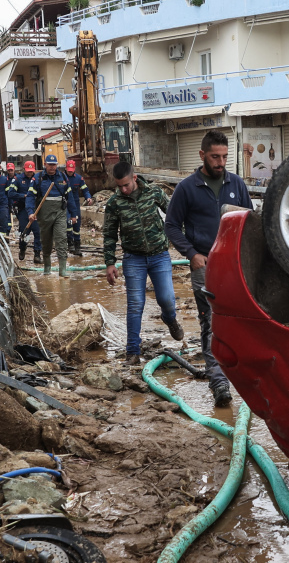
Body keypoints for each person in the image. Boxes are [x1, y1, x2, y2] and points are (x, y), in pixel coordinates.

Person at [164, 130, 252, 408]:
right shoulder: (187, 188)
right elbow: (171, 226)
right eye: (215, 157)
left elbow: (250, 222)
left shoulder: (236, 184)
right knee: (211, 323)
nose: (221, 162)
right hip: (204, 266)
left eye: (225, 157)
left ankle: (242, 376)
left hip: (235, 267)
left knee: (241, 322)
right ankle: (219, 382)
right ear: (202, 155)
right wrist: (191, 253)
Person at [103, 161, 185, 365]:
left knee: (166, 298)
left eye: (126, 185)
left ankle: (169, 318)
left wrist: (183, 238)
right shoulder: (115, 203)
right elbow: (110, 234)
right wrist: (109, 263)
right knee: (135, 304)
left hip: (159, 255)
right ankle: (132, 352)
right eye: (119, 186)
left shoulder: (154, 193)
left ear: (135, 179)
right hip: (133, 259)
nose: (123, 189)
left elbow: (174, 214)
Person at [27, 154, 78, 277]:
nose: (52, 167)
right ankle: (47, 268)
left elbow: (69, 197)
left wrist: (73, 214)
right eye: (49, 165)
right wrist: (30, 213)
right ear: (45, 165)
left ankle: (62, 270)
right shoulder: (38, 179)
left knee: (61, 239)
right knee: (46, 241)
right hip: (44, 214)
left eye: (54, 164)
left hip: (60, 213)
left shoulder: (63, 177)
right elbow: (30, 197)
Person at [13, 161, 42, 261]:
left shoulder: (38, 179)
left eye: (31, 171)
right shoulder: (18, 180)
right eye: (28, 171)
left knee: (37, 231)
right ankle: (22, 247)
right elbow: (11, 193)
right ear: (24, 169)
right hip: (23, 209)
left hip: (36, 209)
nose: (29, 173)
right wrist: (23, 196)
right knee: (25, 231)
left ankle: (37, 254)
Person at [64, 159, 94, 256]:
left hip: (75, 203)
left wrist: (88, 198)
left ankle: (77, 247)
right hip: (65, 203)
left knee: (76, 225)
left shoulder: (79, 178)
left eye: (72, 170)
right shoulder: (61, 178)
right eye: (69, 170)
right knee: (68, 222)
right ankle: (70, 244)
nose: (70, 172)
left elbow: (85, 190)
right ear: (65, 168)